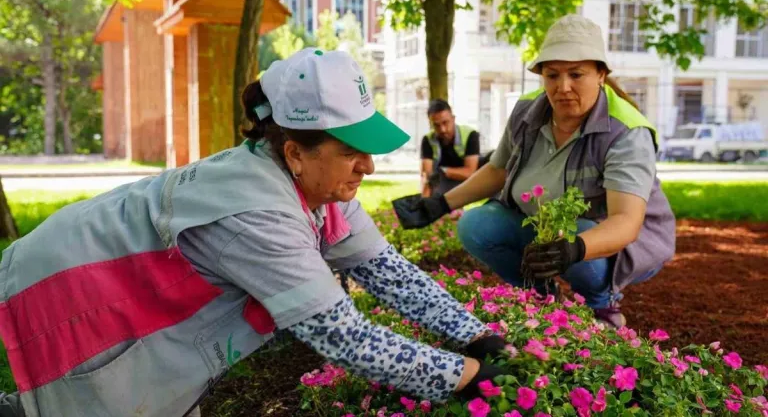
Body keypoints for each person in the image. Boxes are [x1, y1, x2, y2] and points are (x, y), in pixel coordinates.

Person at [0, 48, 508, 417]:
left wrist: (476, 336)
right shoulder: (258, 212)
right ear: (294, 152)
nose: (369, 167)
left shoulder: (316, 184)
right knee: (98, 397)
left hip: (102, 265)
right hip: (75, 285)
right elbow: (344, 338)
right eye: (352, 151)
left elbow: (388, 274)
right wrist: (464, 377)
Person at [393, 15, 676, 329]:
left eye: (576, 74)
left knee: (577, 232)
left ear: (600, 74)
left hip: (611, 242)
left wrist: (574, 249)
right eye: (552, 75)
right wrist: (439, 204)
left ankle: (601, 305)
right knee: (475, 225)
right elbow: (498, 170)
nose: (562, 87)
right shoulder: (528, 111)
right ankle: (540, 297)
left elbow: (626, 221)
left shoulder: (626, 131)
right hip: (547, 229)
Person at [420, 99, 482, 197]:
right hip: (442, 182)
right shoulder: (427, 140)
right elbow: (427, 176)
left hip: (470, 181)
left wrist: (444, 171)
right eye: (436, 125)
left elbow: (470, 172)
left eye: (445, 122)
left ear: (453, 118)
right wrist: (424, 203)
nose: (442, 129)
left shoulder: (470, 135)